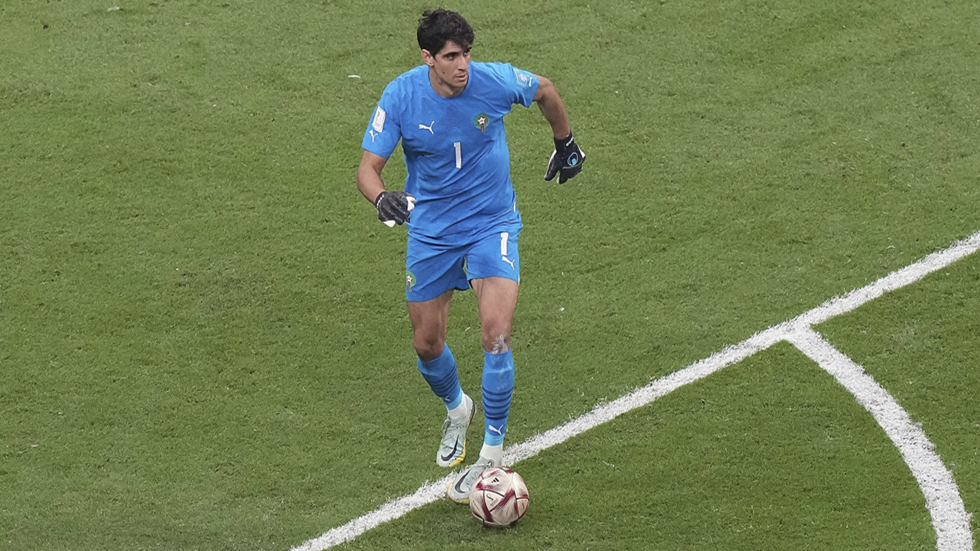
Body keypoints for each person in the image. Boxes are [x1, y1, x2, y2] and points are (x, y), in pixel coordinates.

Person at [356, 8, 585, 504]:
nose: (463, 66)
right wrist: (381, 199)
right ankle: (458, 409)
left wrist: (565, 143)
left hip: (491, 222)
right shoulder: (401, 95)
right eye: (452, 57)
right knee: (426, 343)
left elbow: (544, 89)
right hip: (433, 231)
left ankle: (493, 453)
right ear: (428, 58)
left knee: (496, 333)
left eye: (466, 54)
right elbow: (367, 169)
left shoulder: (493, 81)